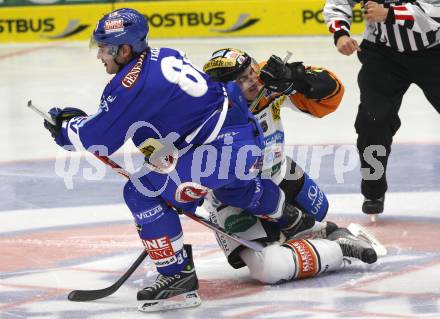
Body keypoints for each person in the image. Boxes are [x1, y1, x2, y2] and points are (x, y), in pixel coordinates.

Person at [42, 8, 338, 313]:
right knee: (234, 190)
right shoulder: (162, 55)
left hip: (219, 150)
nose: (99, 55)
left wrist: (66, 127)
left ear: (124, 49)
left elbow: (99, 138)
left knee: (142, 192)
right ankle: (293, 219)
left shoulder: (132, 85)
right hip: (243, 138)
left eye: (104, 48)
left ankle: (177, 278)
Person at [202, 48, 377, 285]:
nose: (253, 80)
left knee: (319, 209)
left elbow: (333, 94)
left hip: (281, 175)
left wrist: (296, 79)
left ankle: (321, 232)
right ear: (223, 88)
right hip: (234, 198)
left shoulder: (268, 79)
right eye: (241, 79)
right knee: (269, 269)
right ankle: (336, 249)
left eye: (251, 71)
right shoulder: (207, 115)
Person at [323, 0, 440, 216]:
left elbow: (435, 13)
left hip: (435, 51)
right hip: (383, 54)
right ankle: (373, 189)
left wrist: (389, 14)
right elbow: (339, 2)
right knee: (372, 120)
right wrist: (340, 33)